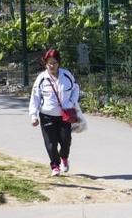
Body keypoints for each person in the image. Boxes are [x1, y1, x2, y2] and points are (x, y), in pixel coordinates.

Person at [29, 49, 80, 177]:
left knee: (65, 140)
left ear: (59, 63)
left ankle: (64, 158)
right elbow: (35, 97)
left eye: (55, 63)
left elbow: (76, 88)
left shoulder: (67, 75)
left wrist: (72, 102)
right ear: (45, 64)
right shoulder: (41, 79)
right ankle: (55, 166)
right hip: (47, 115)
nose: (52, 66)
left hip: (65, 115)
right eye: (49, 63)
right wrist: (33, 116)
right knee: (51, 143)